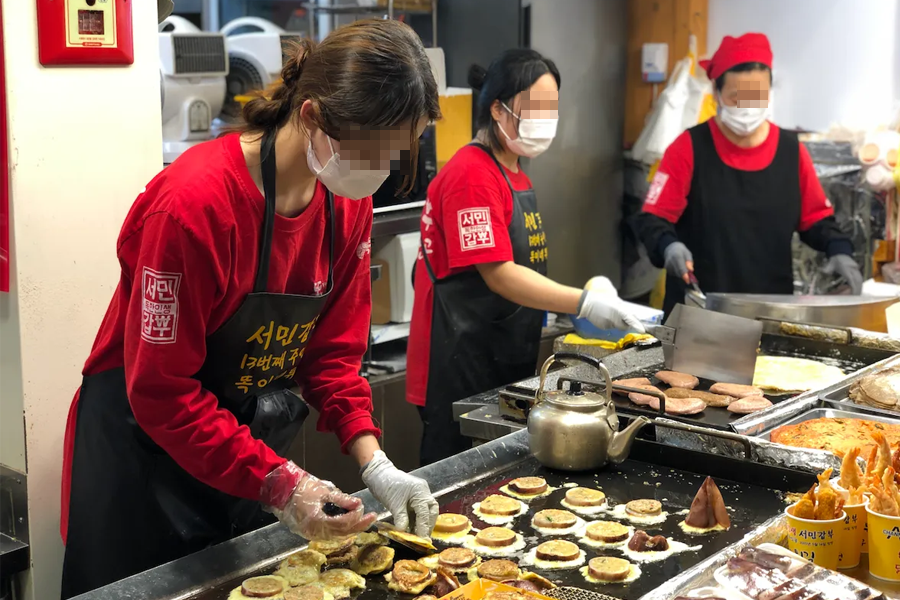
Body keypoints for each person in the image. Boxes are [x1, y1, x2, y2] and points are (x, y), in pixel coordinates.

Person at [60, 20, 441, 598]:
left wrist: (375, 461)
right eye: (372, 150)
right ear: (311, 117)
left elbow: (333, 358)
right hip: (141, 458)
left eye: (397, 153)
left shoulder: (346, 203)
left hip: (232, 452)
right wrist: (283, 486)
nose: (382, 170)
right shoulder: (193, 208)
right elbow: (162, 392)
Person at [406, 49, 644, 467]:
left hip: (496, 354)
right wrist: (583, 302)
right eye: (535, 108)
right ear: (498, 109)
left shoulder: (512, 172)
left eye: (552, 108)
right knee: (455, 489)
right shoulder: (471, 175)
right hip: (456, 364)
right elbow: (499, 274)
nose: (546, 118)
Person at [634, 32, 863, 316]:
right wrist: (669, 246)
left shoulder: (791, 152)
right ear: (716, 94)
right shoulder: (689, 148)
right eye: (737, 96)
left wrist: (838, 248)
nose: (748, 106)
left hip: (770, 312)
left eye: (757, 95)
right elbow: (653, 219)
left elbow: (815, 219)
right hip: (699, 311)